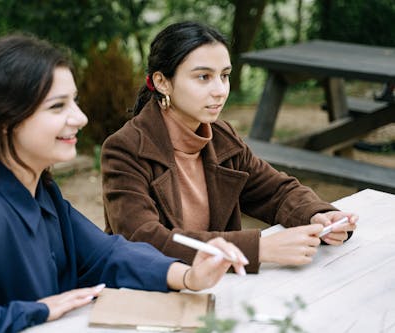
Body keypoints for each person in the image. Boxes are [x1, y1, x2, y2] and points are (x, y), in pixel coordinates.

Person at [0, 34, 248, 333]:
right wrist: (38, 309)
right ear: (4, 120)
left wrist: (187, 276)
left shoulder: (40, 191)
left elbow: (105, 254)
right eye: (57, 106)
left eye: (75, 101)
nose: (80, 118)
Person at [101, 21, 357, 274]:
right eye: (203, 77)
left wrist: (318, 215)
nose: (220, 90)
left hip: (222, 286)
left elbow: (275, 192)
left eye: (224, 76)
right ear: (162, 82)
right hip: (158, 293)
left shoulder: (222, 137)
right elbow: (143, 239)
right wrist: (257, 249)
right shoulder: (125, 149)